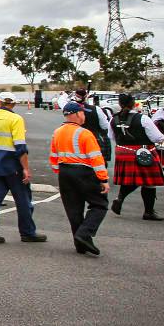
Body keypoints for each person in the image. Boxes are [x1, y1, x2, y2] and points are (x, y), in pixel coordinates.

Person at [0, 92, 46, 244]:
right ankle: (27, 232)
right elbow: (20, 147)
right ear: (13, 104)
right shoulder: (16, 119)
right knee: (23, 200)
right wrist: (25, 169)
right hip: (12, 165)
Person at [49, 102, 109, 256]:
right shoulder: (85, 133)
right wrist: (103, 179)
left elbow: (53, 156)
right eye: (82, 113)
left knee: (73, 209)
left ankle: (80, 244)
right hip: (84, 172)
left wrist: (59, 171)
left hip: (64, 172)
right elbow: (96, 158)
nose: (84, 116)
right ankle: (84, 234)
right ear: (76, 114)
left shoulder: (57, 132)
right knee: (100, 204)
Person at [109, 92, 164, 220]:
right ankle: (148, 212)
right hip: (143, 152)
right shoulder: (143, 118)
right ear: (134, 104)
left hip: (123, 153)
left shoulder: (113, 119)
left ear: (120, 104)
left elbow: (111, 137)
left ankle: (120, 198)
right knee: (149, 182)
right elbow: (157, 137)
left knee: (132, 180)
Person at [72, 89, 111, 166]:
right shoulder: (96, 109)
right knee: (97, 164)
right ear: (86, 96)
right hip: (94, 139)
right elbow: (104, 126)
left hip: (75, 140)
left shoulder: (70, 109)